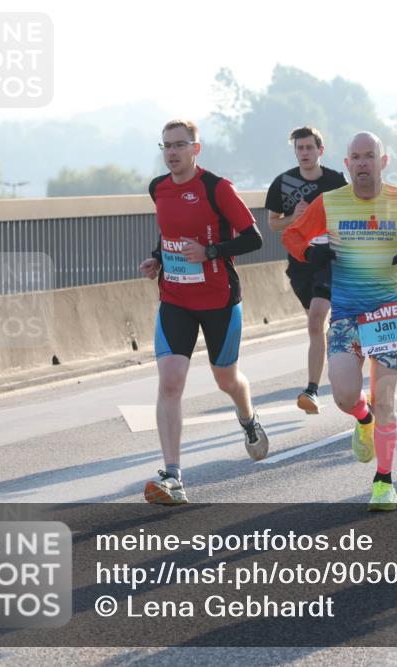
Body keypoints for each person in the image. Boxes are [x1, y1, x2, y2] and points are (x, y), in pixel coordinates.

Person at [283, 132, 397, 510]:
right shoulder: (330, 202)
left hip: (388, 312)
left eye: (370, 156)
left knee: (386, 401)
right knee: (346, 395)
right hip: (345, 313)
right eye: (356, 157)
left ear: (383, 161)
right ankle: (362, 419)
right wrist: (311, 254)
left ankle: (384, 481)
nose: (363, 163)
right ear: (347, 164)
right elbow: (293, 237)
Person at [140, 119, 268, 505]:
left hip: (218, 300)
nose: (172, 153)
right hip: (176, 299)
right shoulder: (157, 189)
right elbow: (170, 234)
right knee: (170, 381)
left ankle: (247, 418)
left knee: (225, 379)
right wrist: (157, 258)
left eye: (180, 145)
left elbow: (253, 238)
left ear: (196, 148)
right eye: (166, 146)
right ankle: (173, 476)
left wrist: (210, 252)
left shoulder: (218, 188)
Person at [265, 127, 349, 415]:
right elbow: (273, 223)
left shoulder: (335, 180)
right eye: (299, 148)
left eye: (309, 148)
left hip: (331, 259)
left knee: (315, 322)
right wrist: (294, 217)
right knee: (319, 326)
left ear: (320, 150)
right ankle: (337, 363)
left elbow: (352, 213)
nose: (304, 153)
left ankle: (312, 390)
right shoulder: (283, 183)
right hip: (300, 262)